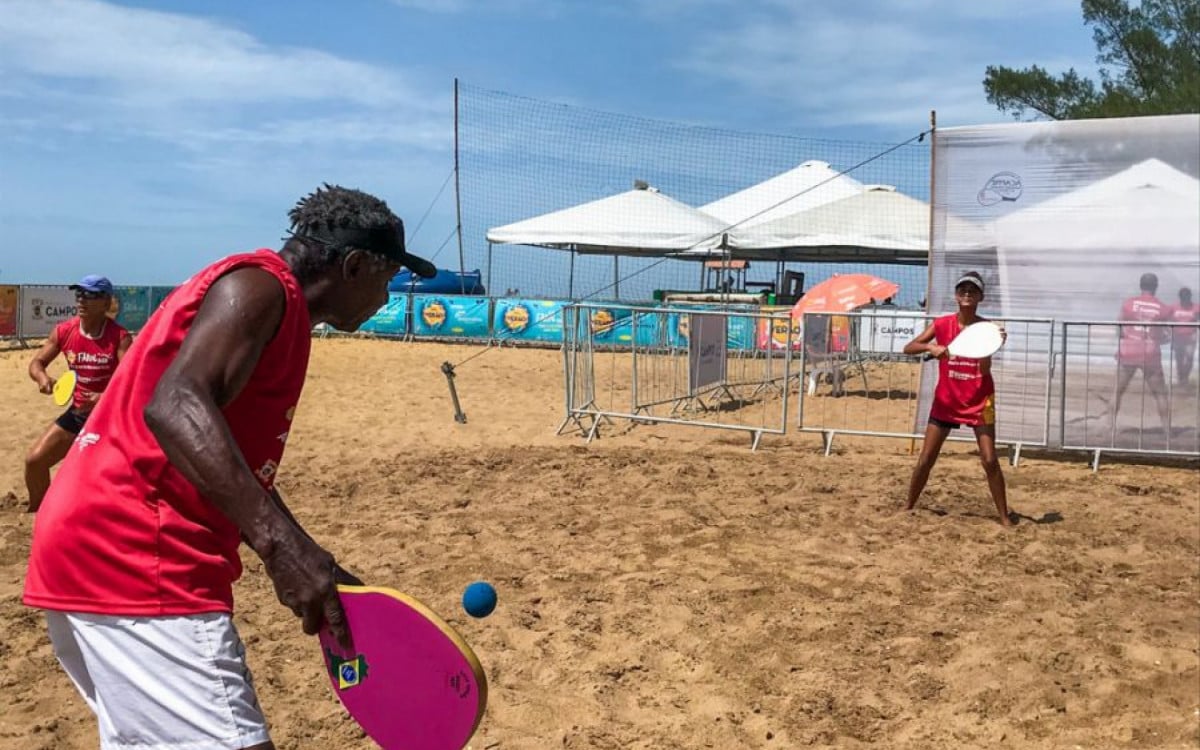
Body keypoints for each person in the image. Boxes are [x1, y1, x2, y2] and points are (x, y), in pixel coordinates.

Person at [23, 184, 437, 750]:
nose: (387, 297)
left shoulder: (269, 301)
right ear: (354, 264)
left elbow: (231, 460)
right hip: (136, 553)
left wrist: (304, 551)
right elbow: (174, 405)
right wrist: (280, 548)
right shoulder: (261, 288)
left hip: (87, 542)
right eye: (386, 278)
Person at [903, 271, 1012, 527]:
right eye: (962, 290)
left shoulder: (988, 330)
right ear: (955, 295)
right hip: (947, 400)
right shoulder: (942, 325)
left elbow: (984, 371)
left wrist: (991, 347)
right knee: (927, 458)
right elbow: (909, 348)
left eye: (972, 291)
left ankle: (1005, 517)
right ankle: (908, 506)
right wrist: (931, 347)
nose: (966, 294)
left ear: (980, 297)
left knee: (989, 459)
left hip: (978, 399)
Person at [24, 275, 131, 512]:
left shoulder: (120, 338)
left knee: (104, 481)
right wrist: (42, 378)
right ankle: (36, 515)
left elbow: (130, 380)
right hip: (79, 413)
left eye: (90, 295)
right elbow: (37, 363)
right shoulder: (64, 331)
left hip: (110, 417)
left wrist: (103, 397)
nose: (82, 300)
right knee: (34, 461)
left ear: (106, 302)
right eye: (79, 294)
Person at [1113, 272, 1171, 430]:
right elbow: (1167, 336)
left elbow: (1119, 329)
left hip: (1129, 351)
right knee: (1160, 394)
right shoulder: (1163, 308)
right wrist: (1157, 338)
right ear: (1156, 287)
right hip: (1150, 353)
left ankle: (1108, 427)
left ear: (1140, 285)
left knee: (1118, 391)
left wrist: (1127, 339)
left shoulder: (1128, 304)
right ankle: (1167, 432)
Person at [1168, 287, 1198, 387]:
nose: (1185, 300)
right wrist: (1169, 332)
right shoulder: (1173, 307)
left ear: (1190, 297)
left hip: (1190, 337)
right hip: (1178, 336)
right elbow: (1167, 319)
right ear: (1180, 298)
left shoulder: (1196, 307)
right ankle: (1181, 379)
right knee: (1179, 359)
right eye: (1183, 298)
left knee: (1189, 358)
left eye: (1187, 297)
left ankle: (1185, 377)